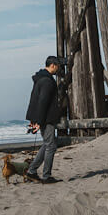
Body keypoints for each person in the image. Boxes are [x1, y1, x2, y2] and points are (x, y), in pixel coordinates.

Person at [24, 55, 64, 184]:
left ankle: (31, 171)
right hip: (46, 118)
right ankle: (46, 176)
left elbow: (34, 100)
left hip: (42, 117)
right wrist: (39, 121)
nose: (58, 69)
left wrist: (34, 119)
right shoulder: (47, 81)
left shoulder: (40, 78)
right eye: (58, 66)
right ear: (53, 65)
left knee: (48, 143)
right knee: (51, 146)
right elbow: (42, 102)